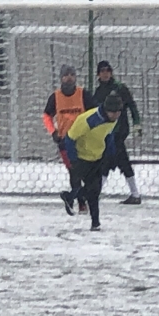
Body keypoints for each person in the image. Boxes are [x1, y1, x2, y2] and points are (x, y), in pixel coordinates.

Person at [59, 94, 123, 231]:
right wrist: (74, 161)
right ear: (106, 110)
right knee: (92, 191)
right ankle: (94, 222)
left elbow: (109, 135)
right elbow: (70, 139)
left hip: (97, 157)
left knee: (95, 191)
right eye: (113, 112)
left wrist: (111, 154)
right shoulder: (88, 119)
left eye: (118, 112)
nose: (116, 115)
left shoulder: (114, 119)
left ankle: (71, 198)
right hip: (82, 157)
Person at [43, 64, 96, 213]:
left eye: (72, 74)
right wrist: (53, 131)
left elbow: (93, 113)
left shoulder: (83, 94)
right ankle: (80, 202)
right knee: (73, 171)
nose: (69, 77)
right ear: (61, 78)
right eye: (66, 75)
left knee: (86, 171)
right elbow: (47, 115)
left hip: (83, 139)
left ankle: (79, 197)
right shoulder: (55, 97)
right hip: (65, 140)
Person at [93, 60, 143, 204]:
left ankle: (96, 194)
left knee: (107, 162)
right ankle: (134, 194)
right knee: (114, 161)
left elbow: (132, 107)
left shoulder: (120, 88)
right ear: (98, 74)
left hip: (118, 132)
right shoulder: (98, 92)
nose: (105, 73)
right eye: (102, 71)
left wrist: (137, 123)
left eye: (107, 70)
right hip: (104, 133)